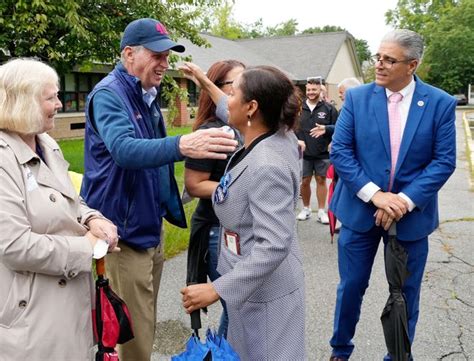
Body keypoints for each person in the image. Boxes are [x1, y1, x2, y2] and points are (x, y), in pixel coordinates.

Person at [80, 18, 237, 361]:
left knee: (144, 322)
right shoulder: (109, 94)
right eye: (156, 55)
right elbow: (124, 149)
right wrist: (183, 145)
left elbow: (153, 159)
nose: (164, 63)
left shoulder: (145, 94)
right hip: (123, 233)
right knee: (133, 336)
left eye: (167, 56)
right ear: (128, 54)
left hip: (149, 225)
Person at [328, 29, 456, 361]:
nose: (379, 65)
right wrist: (376, 196)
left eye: (389, 60)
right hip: (360, 212)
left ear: (412, 65)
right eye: (378, 57)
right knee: (351, 287)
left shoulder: (440, 103)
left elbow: (443, 161)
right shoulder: (358, 99)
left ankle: (398, 355)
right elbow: (341, 152)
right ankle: (340, 351)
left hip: (411, 217)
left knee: (405, 293)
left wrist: (402, 201)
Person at [181, 65, 306, 360]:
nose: (226, 99)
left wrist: (217, 290)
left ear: (251, 108)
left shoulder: (267, 165)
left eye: (233, 92)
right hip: (253, 289)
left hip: (266, 295)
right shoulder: (276, 132)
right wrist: (201, 79)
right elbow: (226, 106)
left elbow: (274, 245)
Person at [0, 58, 119, 360]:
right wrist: (86, 249)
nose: (60, 104)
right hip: (32, 320)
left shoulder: (45, 143)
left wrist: (93, 219)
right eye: (51, 97)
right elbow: (13, 245)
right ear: (24, 101)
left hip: (69, 311)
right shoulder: (4, 159)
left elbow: (68, 200)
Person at [184, 59, 245, 337]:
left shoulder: (246, 125)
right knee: (239, 308)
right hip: (216, 232)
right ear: (219, 89)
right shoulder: (211, 130)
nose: (247, 87)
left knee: (241, 309)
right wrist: (240, 186)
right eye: (239, 83)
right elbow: (195, 185)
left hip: (241, 230)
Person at [296, 78, 338, 223]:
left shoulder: (329, 108)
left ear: (320, 90)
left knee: (321, 180)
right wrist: (297, 140)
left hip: (322, 152)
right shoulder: (298, 107)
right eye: (308, 90)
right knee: (305, 181)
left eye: (314, 90)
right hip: (303, 153)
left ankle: (321, 211)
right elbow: (290, 126)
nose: (311, 92)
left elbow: (337, 129)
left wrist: (331, 141)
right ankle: (306, 209)